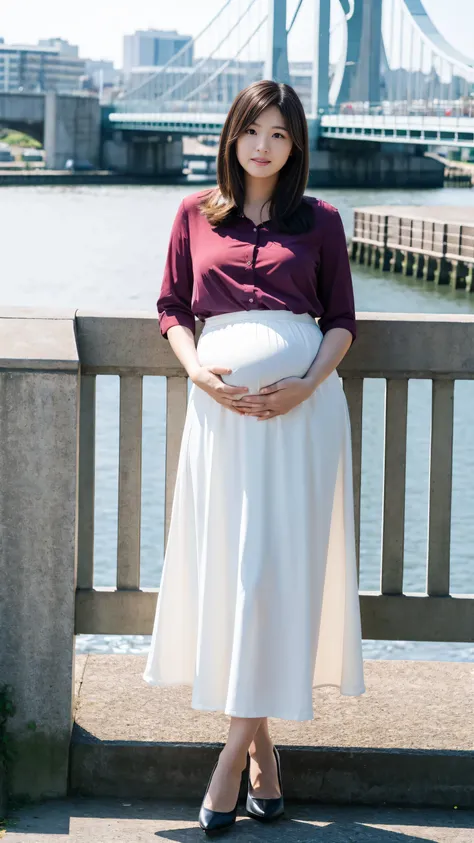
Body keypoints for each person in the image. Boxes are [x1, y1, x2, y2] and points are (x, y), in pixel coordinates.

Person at [143, 79, 366, 834]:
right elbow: (173, 306)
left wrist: (305, 384)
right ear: (232, 136)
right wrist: (201, 372)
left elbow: (340, 319)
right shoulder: (192, 213)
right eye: (252, 130)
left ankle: (230, 759)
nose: (264, 145)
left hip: (302, 420)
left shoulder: (322, 220)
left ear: (295, 143)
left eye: (278, 133)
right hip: (224, 420)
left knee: (275, 571)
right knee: (240, 573)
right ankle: (265, 757)